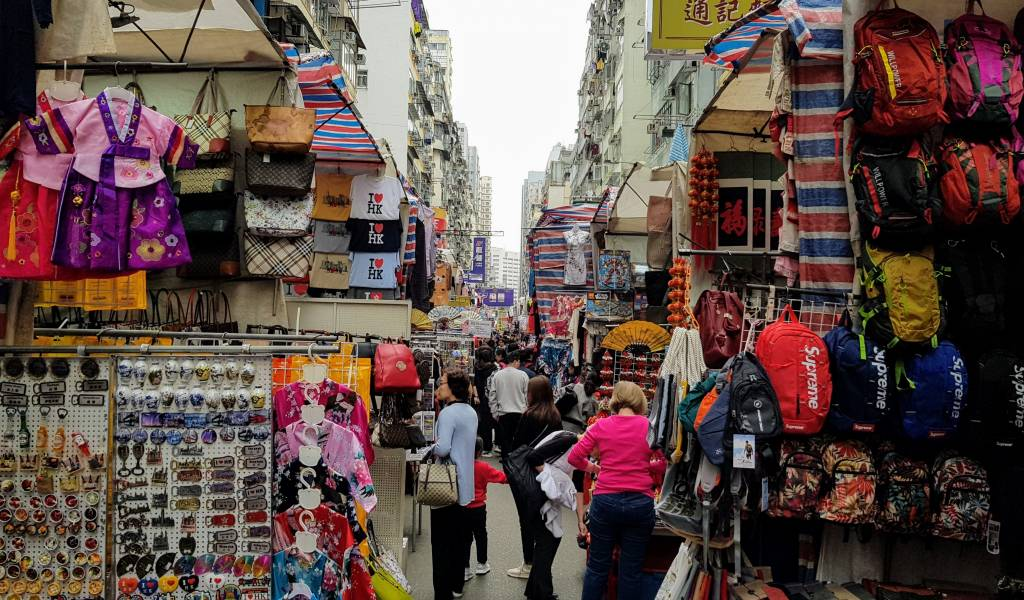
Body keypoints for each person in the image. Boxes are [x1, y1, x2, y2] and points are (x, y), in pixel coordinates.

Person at [568, 381, 666, 600]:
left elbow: (575, 457)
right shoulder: (648, 427)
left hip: (605, 502)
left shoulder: (601, 426)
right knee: (630, 572)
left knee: (597, 568)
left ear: (615, 400)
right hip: (640, 504)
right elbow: (662, 462)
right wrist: (645, 466)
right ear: (639, 400)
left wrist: (594, 467)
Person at [507, 376, 563, 587]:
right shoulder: (555, 416)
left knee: (525, 518)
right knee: (543, 519)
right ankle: (540, 564)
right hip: (546, 472)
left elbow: (517, 445)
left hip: (525, 474)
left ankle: (528, 563)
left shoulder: (529, 415)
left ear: (533, 394)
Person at [431, 369, 479, 600]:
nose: (439, 388)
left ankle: (442, 592)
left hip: (445, 484)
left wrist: (429, 446)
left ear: (452, 388)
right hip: (465, 484)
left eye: (442, 383)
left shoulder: (447, 414)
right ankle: (457, 584)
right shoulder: (471, 412)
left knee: (441, 543)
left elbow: (443, 448)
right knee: (459, 539)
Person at [463, 437, 508, 582]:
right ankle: (481, 564)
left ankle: (465, 568)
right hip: (479, 508)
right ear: (480, 452)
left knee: (464, 538)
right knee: (481, 535)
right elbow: (502, 478)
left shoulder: (461, 466)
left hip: (463, 507)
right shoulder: (484, 467)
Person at [488, 351, 529, 460]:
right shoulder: (523, 375)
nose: (519, 364)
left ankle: (506, 463)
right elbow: (527, 395)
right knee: (518, 440)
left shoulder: (498, 375)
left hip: (503, 413)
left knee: (505, 441)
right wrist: (527, 410)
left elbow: (492, 396)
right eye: (518, 361)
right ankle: (517, 464)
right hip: (520, 413)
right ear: (515, 361)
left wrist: (495, 413)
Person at [473, 347, 499, 457]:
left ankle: (488, 447)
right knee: (485, 423)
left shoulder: (492, 369)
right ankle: (487, 446)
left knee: (486, 423)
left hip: (488, 399)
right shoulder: (493, 369)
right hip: (484, 399)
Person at [560, 369, 600, 435]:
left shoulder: (573, 386)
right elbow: (591, 418)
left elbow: (560, 394)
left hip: (562, 425)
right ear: (597, 386)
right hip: (576, 431)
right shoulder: (592, 399)